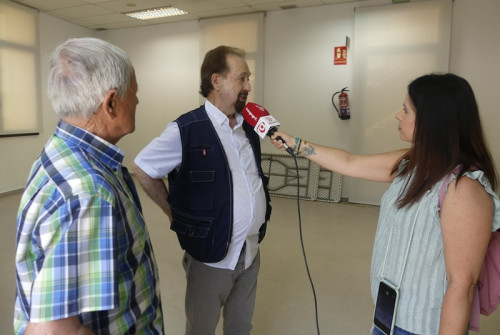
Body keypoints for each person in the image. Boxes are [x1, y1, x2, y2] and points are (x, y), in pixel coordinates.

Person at [271, 73, 500, 335]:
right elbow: (349, 163)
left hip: (421, 328)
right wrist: (297, 145)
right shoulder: (413, 163)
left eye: (405, 109)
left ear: (432, 120)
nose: (397, 116)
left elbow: (462, 285)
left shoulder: (465, 189)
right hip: (387, 318)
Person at [14, 37, 164, 335]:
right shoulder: (89, 192)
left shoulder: (60, 152)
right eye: (134, 93)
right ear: (111, 103)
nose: (137, 101)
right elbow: (52, 331)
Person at [132, 45, 272, 335]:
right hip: (211, 256)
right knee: (201, 328)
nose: (248, 86)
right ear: (216, 81)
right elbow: (143, 168)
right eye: (241, 78)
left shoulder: (248, 127)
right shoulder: (186, 129)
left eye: (249, 79)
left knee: (241, 325)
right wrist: (173, 214)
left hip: (249, 251)